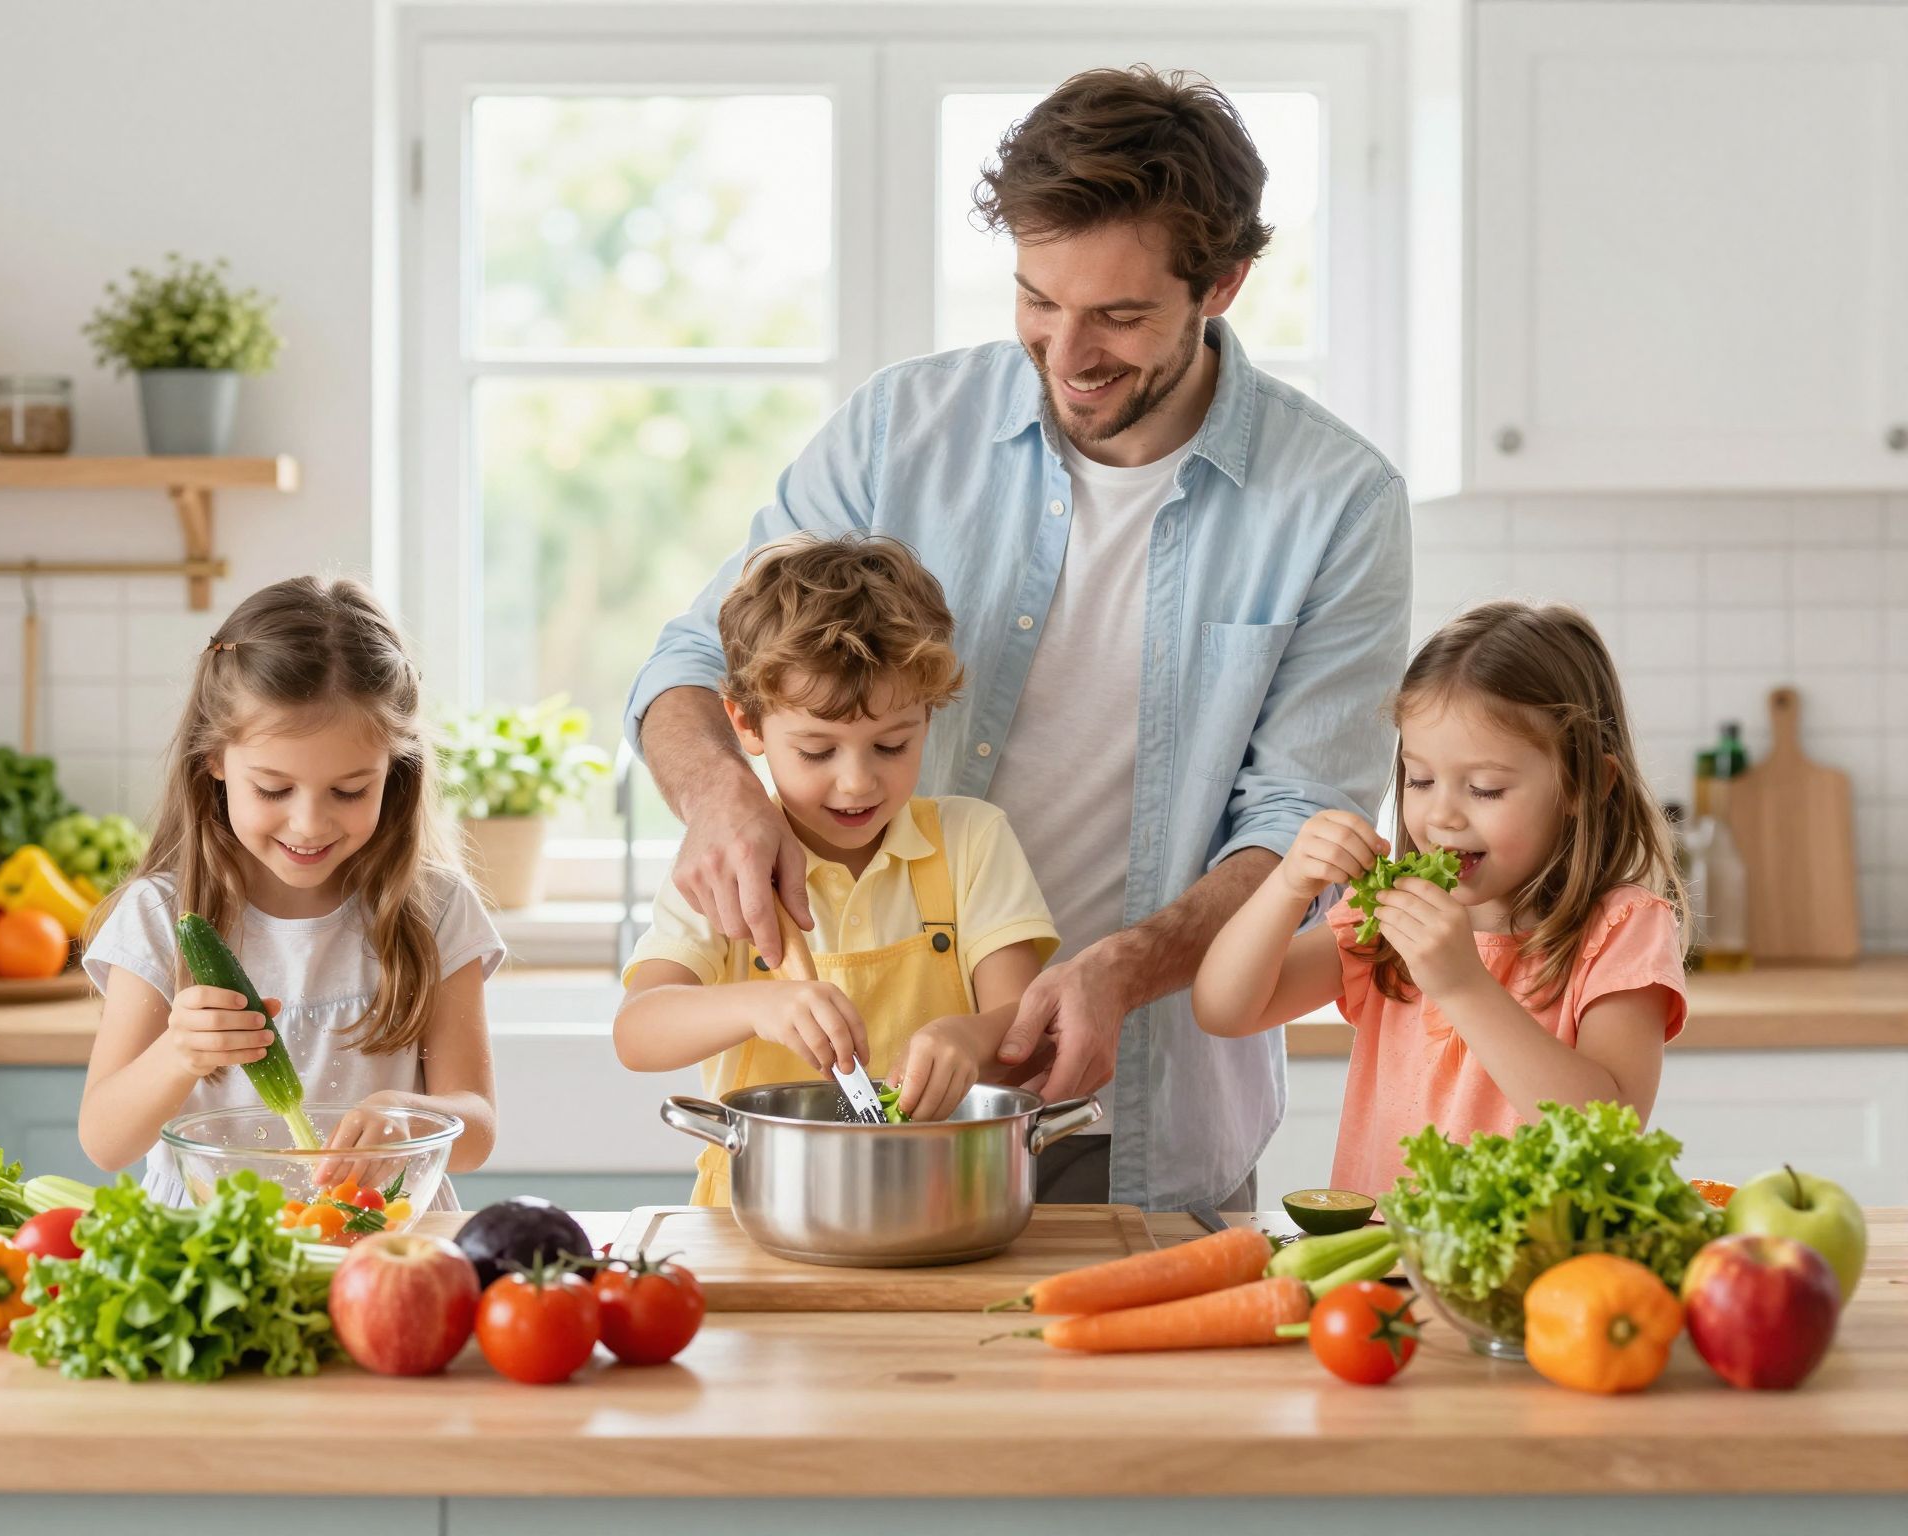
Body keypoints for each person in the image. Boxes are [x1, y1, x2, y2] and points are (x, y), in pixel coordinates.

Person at [626, 66, 1411, 1208]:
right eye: (1036, 298)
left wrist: (1120, 970)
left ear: (1223, 285)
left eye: (1120, 316)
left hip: (1152, 1125)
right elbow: (694, 663)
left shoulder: (1334, 501)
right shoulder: (901, 431)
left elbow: (1296, 829)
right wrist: (721, 794)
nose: (1064, 351)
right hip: (883, 1136)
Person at [614, 534, 1059, 1206]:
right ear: (746, 724)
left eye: (891, 744)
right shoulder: (724, 864)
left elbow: (1024, 1022)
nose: (857, 783)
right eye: (817, 750)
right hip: (753, 1209)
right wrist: (760, 1003)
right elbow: (637, 1032)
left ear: (929, 716)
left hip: (942, 1200)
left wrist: (970, 1036)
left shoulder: (972, 842)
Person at [1192, 601, 1690, 1196]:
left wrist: (1462, 986)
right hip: (1388, 1260)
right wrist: (1287, 884)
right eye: (1420, 780)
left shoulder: (1622, 929)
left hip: (1545, 1277)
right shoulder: (1388, 919)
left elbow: (1611, 1135)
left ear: (1585, 786)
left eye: (1485, 788)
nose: (1442, 816)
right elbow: (1223, 1009)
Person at [77, 576, 503, 1209]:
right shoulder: (159, 917)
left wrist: (409, 1114)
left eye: (351, 790)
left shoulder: (434, 909)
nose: (309, 824)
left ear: (396, 769)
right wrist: (177, 1053)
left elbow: (477, 1133)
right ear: (215, 758)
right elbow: (104, 1141)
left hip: (375, 1235)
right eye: (274, 790)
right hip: (211, 1250)